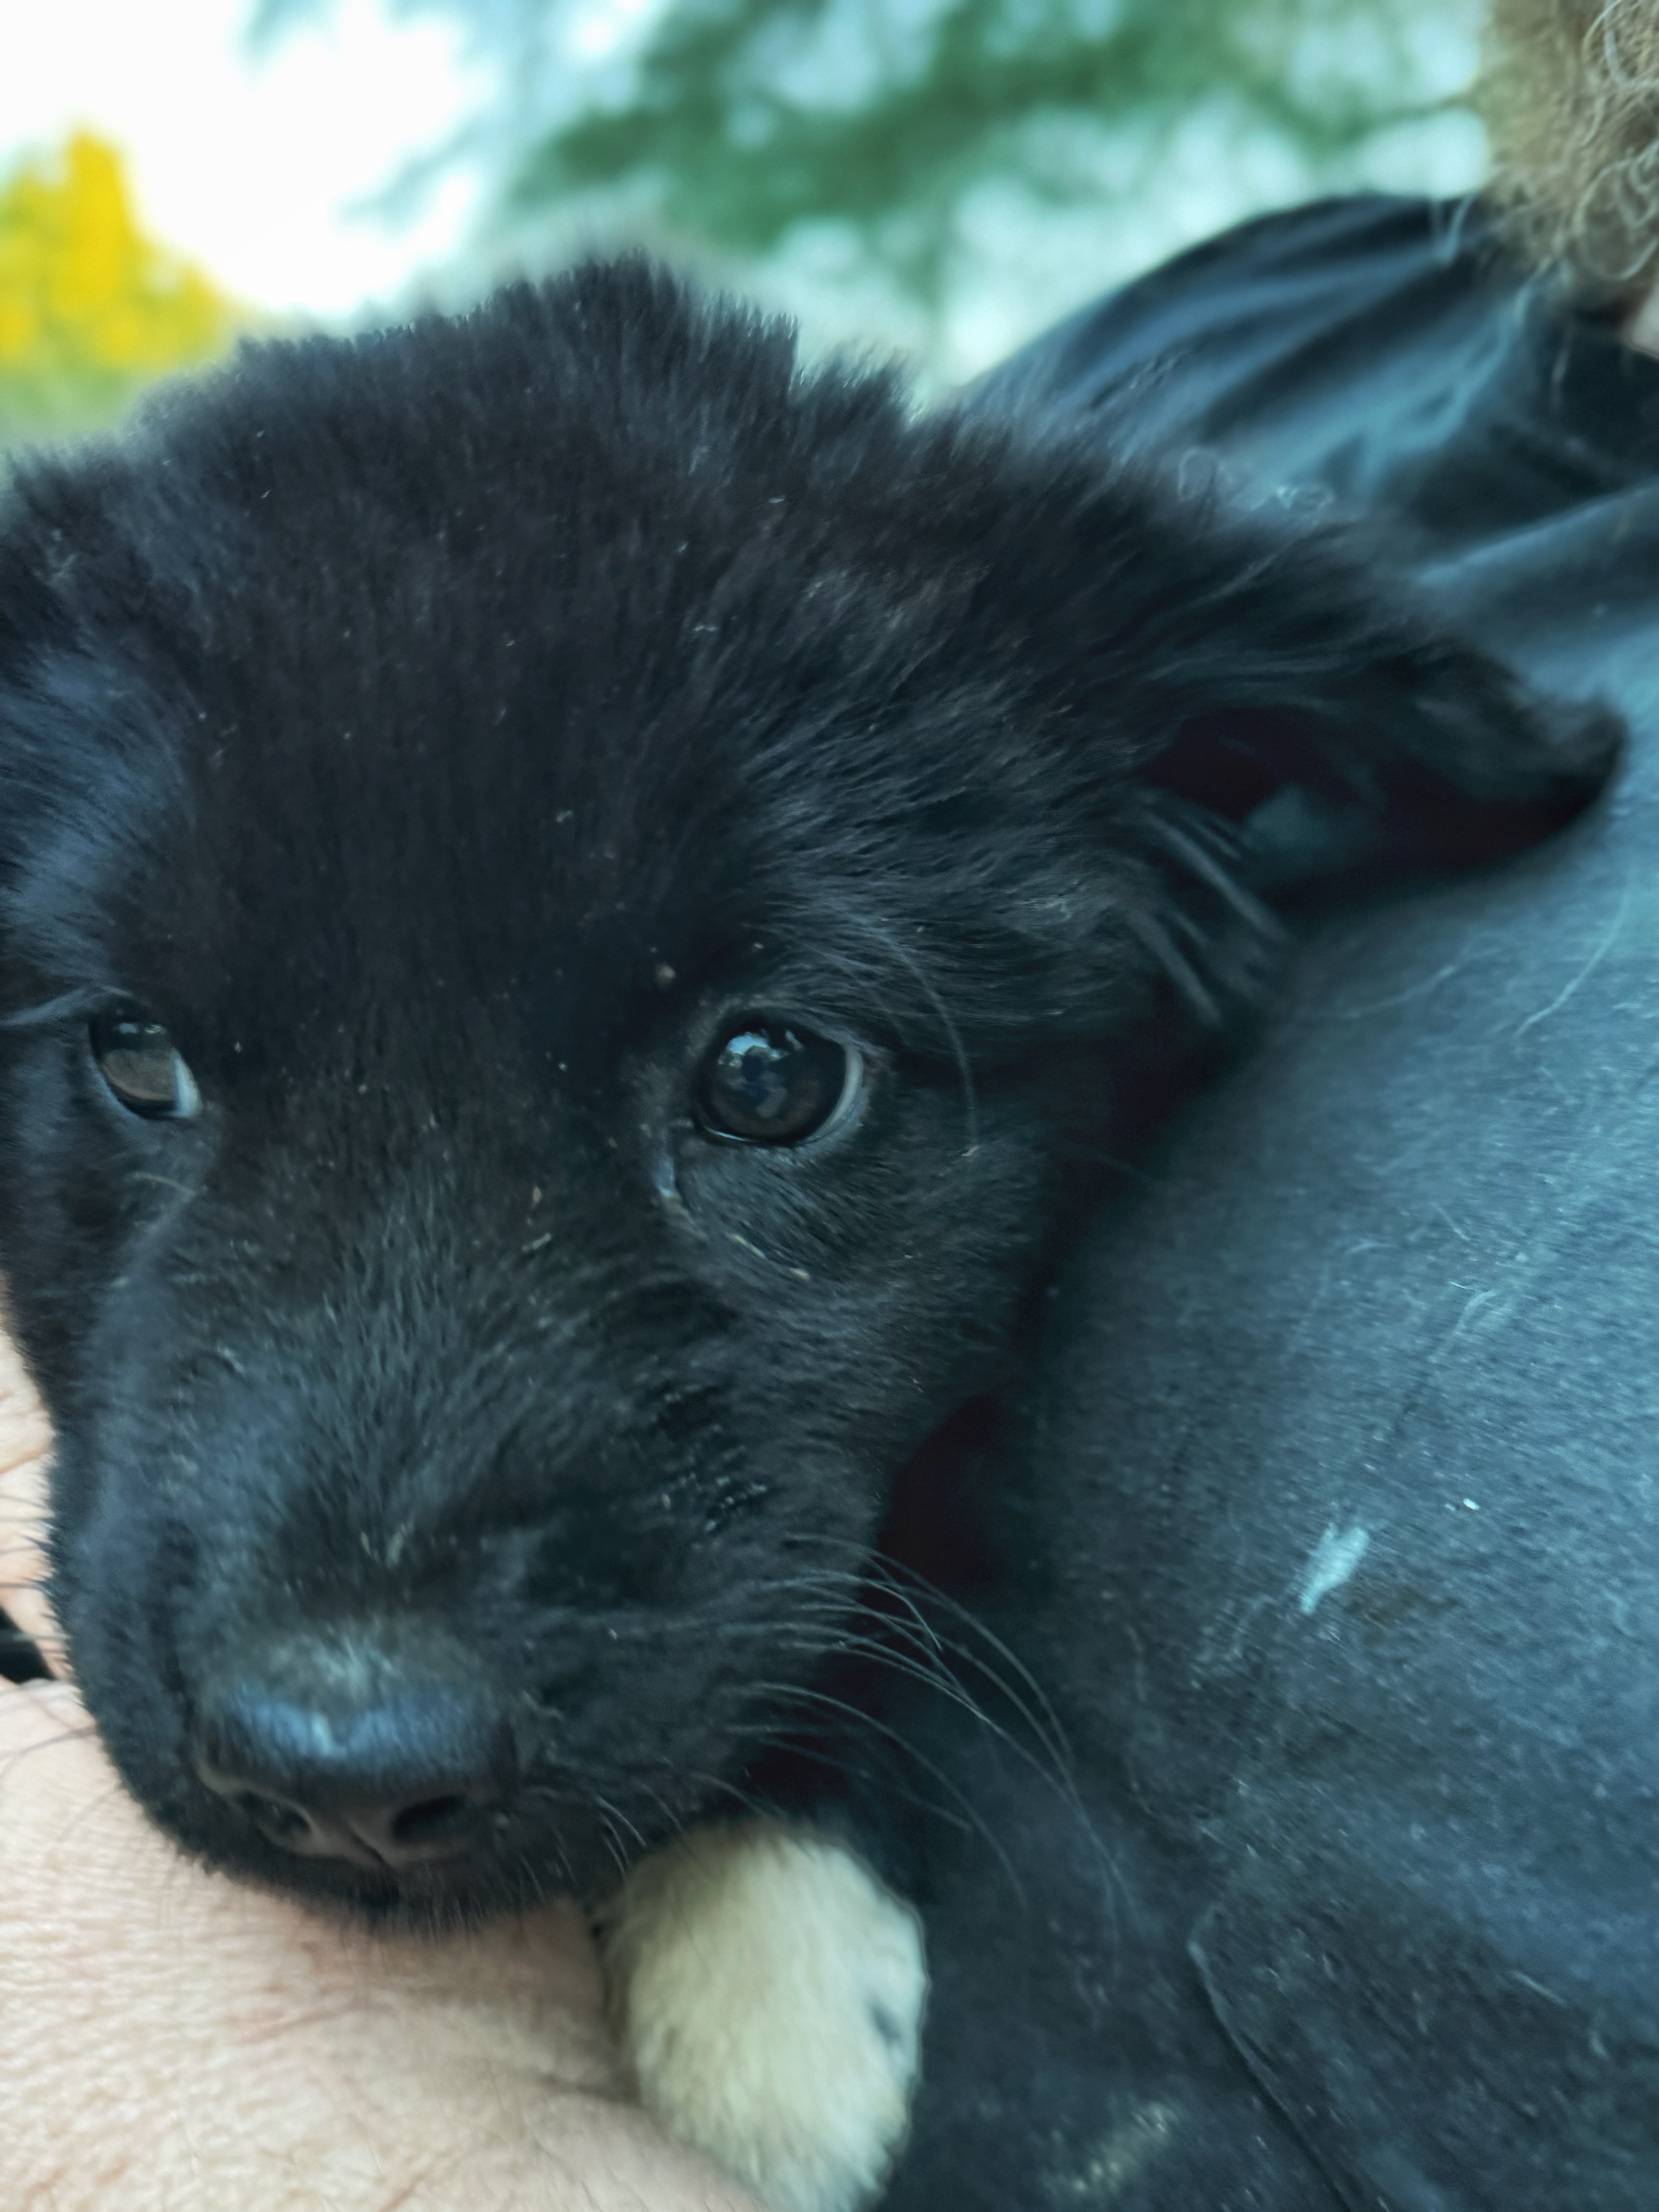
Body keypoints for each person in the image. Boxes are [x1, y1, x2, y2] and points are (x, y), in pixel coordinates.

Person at [7, 0, 1659, 2198]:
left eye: (765, 1080)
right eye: (147, 1058)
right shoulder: (1277, 318)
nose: (346, 1699)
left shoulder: (1119, 691)